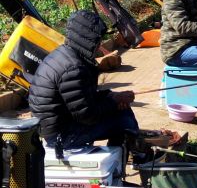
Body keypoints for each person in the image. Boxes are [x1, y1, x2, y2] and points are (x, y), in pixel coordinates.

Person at [28, 9, 138, 159]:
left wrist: (112, 96)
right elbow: (87, 115)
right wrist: (114, 102)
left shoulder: (65, 54)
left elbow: (82, 100)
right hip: (61, 137)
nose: (100, 44)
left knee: (121, 110)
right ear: (88, 39)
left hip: (58, 125)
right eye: (98, 40)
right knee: (124, 120)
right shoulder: (73, 69)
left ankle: (119, 158)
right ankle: (136, 159)